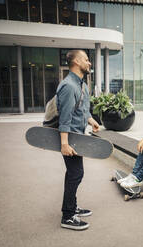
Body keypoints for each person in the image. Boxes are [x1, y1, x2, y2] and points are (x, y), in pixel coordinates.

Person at [57, 50, 100, 231]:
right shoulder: (68, 86)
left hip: (78, 138)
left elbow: (81, 109)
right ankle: (67, 216)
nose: (89, 63)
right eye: (86, 59)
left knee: (74, 174)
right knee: (75, 174)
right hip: (71, 140)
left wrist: (91, 121)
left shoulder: (81, 85)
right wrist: (64, 144)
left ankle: (72, 207)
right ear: (75, 61)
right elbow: (65, 118)